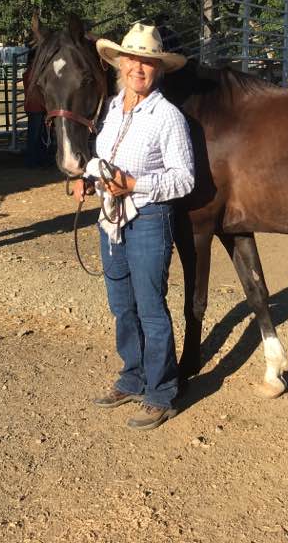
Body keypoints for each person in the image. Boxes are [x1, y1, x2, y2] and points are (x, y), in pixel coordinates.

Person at [72, 22, 194, 431]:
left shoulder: (168, 117)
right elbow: (102, 156)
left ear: (157, 70)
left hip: (148, 219)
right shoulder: (110, 108)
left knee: (150, 308)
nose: (138, 69)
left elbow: (184, 179)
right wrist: (89, 178)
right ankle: (133, 376)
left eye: (147, 62)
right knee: (122, 305)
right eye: (132, 60)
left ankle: (161, 393)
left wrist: (134, 185)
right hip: (110, 218)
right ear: (119, 63)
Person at [21, 48, 53, 167]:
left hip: (34, 107)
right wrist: (46, 107)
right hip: (37, 108)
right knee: (36, 135)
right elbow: (36, 93)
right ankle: (34, 160)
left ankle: (37, 159)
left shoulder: (30, 73)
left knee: (38, 135)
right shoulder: (33, 74)